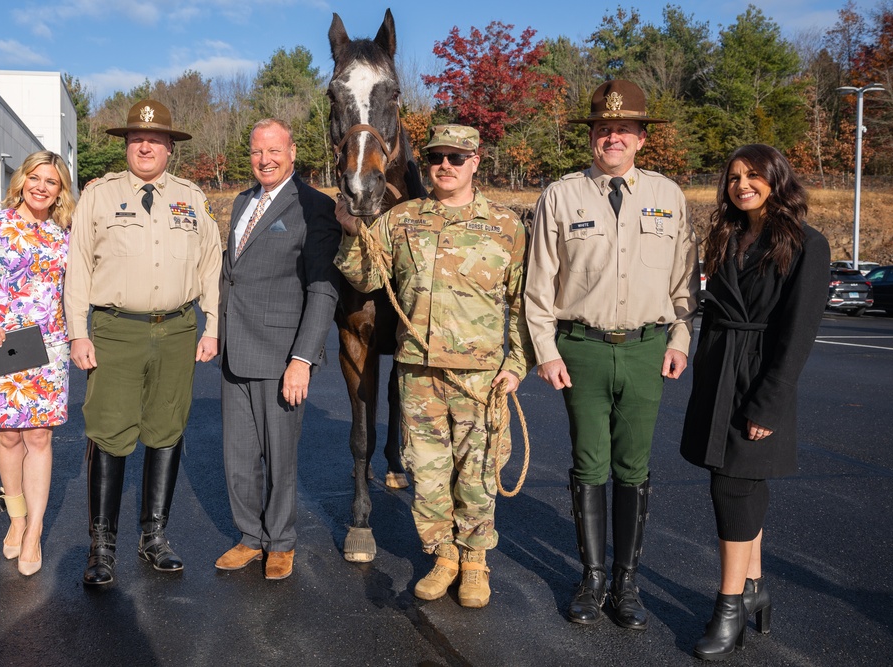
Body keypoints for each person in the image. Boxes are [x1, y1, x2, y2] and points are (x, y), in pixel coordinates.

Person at [334, 124, 534, 608]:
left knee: (478, 473)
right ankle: (442, 556)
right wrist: (349, 232)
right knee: (428, 473)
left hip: (480, 375)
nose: (445, 165)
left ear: (476, 162)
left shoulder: (506, 226)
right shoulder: (402, 220)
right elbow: (364, 274)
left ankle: (475, 563)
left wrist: (518, 363)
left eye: (456, 157)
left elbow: (523, 302)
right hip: (419, 374)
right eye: (436, 157)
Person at [525, 80, 698, 629]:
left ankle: (627, 582)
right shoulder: (561, 195)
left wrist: (679, 338)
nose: (612, 137)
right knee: (588, 463)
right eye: (603, 128)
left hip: (648, 348)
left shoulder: (669, 197)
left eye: (623, 128)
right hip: (583, 350)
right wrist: (546, 351)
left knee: (634, 467)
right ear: (592, 137)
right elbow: (539, 284)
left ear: (642, 137)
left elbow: (684, 282)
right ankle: (592, 577)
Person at [680, 144, 829, 660]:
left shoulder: (809, 244)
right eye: (734, 176)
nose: (742, 184)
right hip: (718, 370)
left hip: (760, 379)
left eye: (754, 176)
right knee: (737, 485)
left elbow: (798, 335)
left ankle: (728, 605)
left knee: (734, 489)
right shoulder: (724, 236)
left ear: (777, 180)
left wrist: (767, 404)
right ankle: (754, 587)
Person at [64, 99, 222, 585]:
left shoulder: (193, 198)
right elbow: (78, 267)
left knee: (166, 429)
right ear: (127, 146)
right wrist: (77, 331)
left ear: (170, 147)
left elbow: (210, 264)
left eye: (155, 140)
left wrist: (212, 323)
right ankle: (102, 547)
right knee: (109, 432)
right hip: (116, 329)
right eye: (137, 139)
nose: (146, 146)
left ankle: (154, 537)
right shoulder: (99, 196)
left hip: (177, 329)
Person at [214, 119, 341, 581]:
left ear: (292, 154)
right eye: (255, 152)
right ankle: (250, 537)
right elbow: (233, 274)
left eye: (274, 151)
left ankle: (281, 541)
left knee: (280, 456)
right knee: (238, 457)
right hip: (236, 350)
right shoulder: (242, 201)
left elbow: (322, 289)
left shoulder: (313, 207)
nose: (264, 160)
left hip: (281, 354)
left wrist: (302, 359)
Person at [0, 150, 75, 576]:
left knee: (39, 436)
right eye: (35, 178)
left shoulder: (65, 231)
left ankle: (35, 530)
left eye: (52, 182)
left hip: (49, 346)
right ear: (22, 180)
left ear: (61, 191)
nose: (42, 187)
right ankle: (17, 518)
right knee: (8, 438)